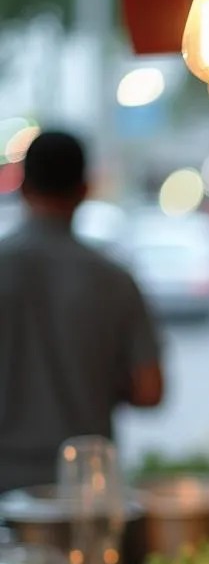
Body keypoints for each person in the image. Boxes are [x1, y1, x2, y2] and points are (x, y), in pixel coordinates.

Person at [0, 131, 163, 493]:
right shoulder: (114, 279)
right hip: (85, 485)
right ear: (85, 189)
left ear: (24, 188)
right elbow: (150, 391)